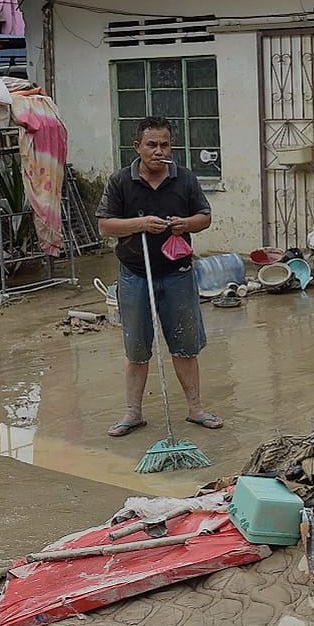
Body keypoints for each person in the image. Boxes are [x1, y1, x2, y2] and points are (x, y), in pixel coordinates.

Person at [95, 116, 223, 437]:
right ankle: (133, 412)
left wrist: (186, 224)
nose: (159, 150)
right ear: (137, 147)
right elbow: (106, 226)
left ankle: (195, 409)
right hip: (135, 274)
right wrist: (139, 224)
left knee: (185, 344)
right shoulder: (121, 181)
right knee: (136, 347)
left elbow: (204, 217)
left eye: (164, 144)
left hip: (177, 273)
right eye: (151, 144)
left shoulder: (185, 179)